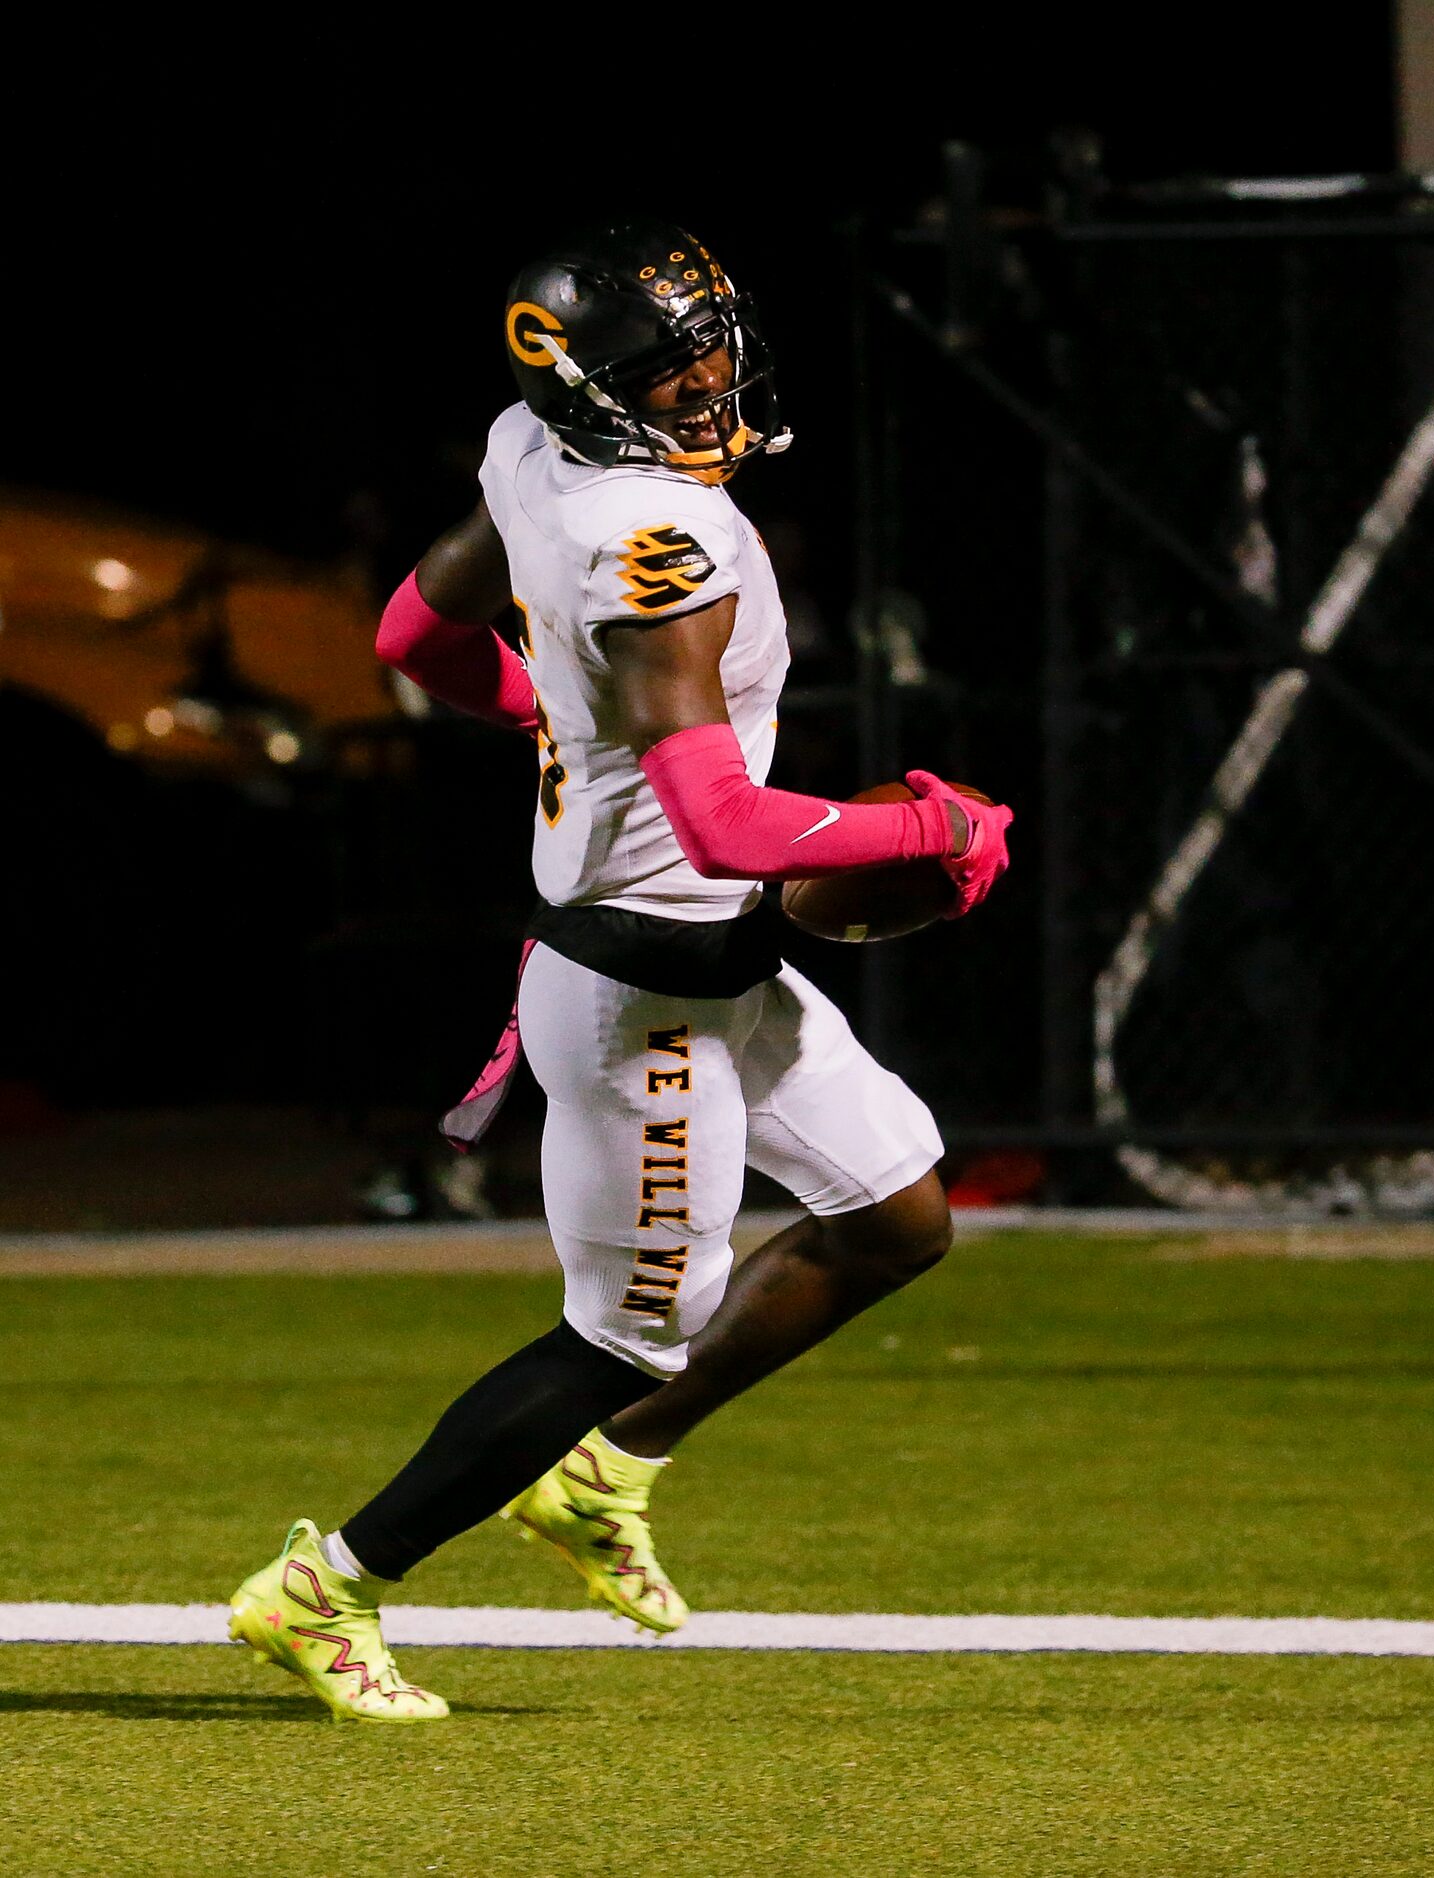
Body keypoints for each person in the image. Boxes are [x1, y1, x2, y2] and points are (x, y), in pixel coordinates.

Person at [228, 222, 1013, 1722]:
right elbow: (727, 828)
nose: (714, 377)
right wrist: (933, 822)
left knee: (897, 1213)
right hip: (644, 996)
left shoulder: (533, 447)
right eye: (672, 365)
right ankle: (327, 1586)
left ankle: (610, 1469)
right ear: (606, 390)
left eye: (712, 340)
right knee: (620, 1332)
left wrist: (550, 715)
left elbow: (414, 630)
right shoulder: (669, 539)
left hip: (708, 966)